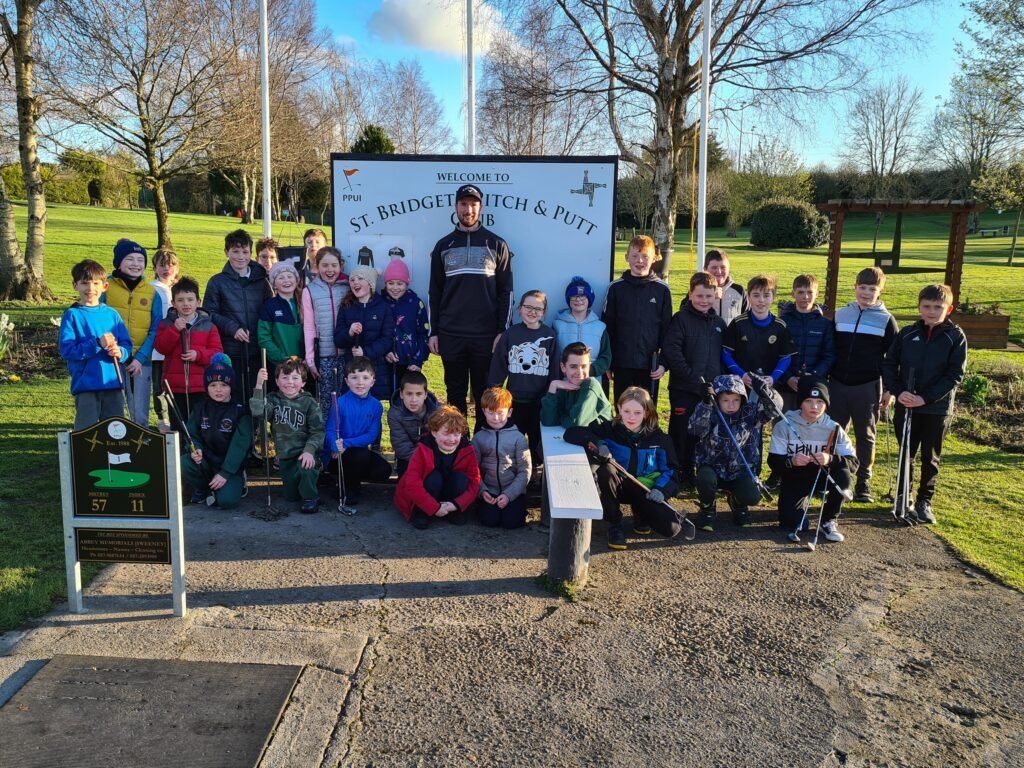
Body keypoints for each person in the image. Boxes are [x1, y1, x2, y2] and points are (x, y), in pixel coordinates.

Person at [428, 183, 514, 427]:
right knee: (454, 394)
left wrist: (502, 332)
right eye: (463, 204)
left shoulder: (496, 244)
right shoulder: (443, 246)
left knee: (484, 394)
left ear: (481, 207)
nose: (468, 210)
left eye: (473, 204)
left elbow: (506, 291)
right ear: (456, 207)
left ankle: (482, 448)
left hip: (485, 335)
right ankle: (459, 445)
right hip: (451, 333)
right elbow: (435, 291)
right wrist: (434, 331)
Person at [881, 284, 967, 524]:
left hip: (936, 409)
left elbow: (954, 375)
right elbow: (889, 365)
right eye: (927, 306)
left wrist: (925, 398)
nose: (932, 311)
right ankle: (903, 497)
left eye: (938, 307)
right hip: (907, 406)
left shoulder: (955, 336)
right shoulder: (907, 334)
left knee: (930, 457)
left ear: (948, 309)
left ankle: (924, 501)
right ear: (919, 307)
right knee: (905, 454)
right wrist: (900, 392)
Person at [565, 386, 686, 550]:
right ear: (619, 409)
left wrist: (662, 490)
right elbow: (572, 433)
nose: (631, 417)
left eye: (637, 412)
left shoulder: (660, 439)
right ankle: (614, 523)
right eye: (626, 411)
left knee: (671, 528)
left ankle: (641, 513)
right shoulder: (609, 430)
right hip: (618, 486)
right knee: (605, 471)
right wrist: (599, 444)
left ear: (647, 413)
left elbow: (671, 470)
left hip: (646, 490)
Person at [830, 266, 899, 503]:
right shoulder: (840, 315)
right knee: (834, 431)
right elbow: (831, 350)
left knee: (865, 434)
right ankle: (833, 474)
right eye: (862, 288)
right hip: (838, 383)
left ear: (880, 291)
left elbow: (893, 359)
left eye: (872, 289)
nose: (866, 293)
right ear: (855, 288)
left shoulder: (886, 320)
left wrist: (890, 389)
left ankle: (863, 481)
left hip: (867, 385)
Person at [767, 378, 858, 543]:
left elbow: (853, 462)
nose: (814, 407)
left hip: (823, 476)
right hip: (795, 477)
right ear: (800, 403)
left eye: (819, 402)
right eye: (808, 401)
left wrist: (830, 458)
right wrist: (791, 461)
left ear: (826, 404)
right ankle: (796, 513)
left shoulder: (835, 428)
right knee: (791, 523)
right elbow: (773, 461)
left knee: (843, 476)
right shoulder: (784, 425)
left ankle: (828, 520)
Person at [688, 374, 781, 531]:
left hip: (740, 471)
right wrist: (705, 403)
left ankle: (737, 503)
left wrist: (767, 392)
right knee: (705, 479)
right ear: (717, 399)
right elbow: (695, 429)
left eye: (736, 400)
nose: (731, 405)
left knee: (753, 497)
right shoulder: (709, 410)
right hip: (712, 468)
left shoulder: (751, 413)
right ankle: (707, 507)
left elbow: (775, 410)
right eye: (725, 400)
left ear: (742, 399)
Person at [662, 270, 727, 488]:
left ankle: (701, 470)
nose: (703, 300)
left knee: (705, 432)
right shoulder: (680, 319)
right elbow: (672, 351)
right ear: (690, 295)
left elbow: (724, 355)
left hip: (710, 390)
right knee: (681, 432)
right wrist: (692, 380)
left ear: (716, 296)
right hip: (684, 388)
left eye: (708, 296)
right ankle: (680, 470)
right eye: (699, 296)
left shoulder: (719, 323)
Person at [488, 289, 558, 470]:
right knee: (513, 441)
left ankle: (536, 472)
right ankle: (513, 472)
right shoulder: (511, 334)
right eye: (528, 306)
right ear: (520, 308)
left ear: (544, 312)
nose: (532, 312)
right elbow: (499, 365)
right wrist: (494, 391)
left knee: (537, 440)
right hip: (514, 400)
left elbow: (554, 370)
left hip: (539, 401)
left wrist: (551, 396)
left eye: (538, 308)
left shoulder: (550, 335)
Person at [59, 259, 133, 430]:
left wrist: (120, 352)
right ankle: (83, 458)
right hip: (86, 386)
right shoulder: (72, 315)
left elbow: (126, 344)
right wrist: (97, 344)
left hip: (113, 383)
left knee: (116, 432)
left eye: (95, 283)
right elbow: (67, 350)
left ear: (104, 286)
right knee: (86, 432)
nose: (90, 288)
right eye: (84, 283)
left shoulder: (111, 314)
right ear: (75, 285)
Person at [602, 234, 672, 406]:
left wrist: (663, 363)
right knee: (623, 407)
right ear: (627, 258)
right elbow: (607, 327)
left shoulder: (662, 290)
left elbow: (668, 331)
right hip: (622, 362)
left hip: (650, 366)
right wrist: (608, 361)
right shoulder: (616, 288)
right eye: (635, 256)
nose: (640, 261)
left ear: (654, 258)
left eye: (645, 256)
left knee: (647, 411)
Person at [203, 229, 272, 401]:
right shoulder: (217, 282)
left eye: (245, 252)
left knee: (257, 395)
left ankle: (256, 428)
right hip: (231, 350)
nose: (240, 257)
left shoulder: (262, 282)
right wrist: (232, 328)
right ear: (227, 252)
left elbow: (269, 312)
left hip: (257, 349)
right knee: (234, 396)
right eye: (235, 251)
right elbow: (209, 313)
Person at [251, 357, 325, 513]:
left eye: (295, 378)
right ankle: (305, 484)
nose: (290, 382)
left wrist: (309, 451)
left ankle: (311, 497)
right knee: (290, 497)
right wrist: (259, 385)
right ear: (277, 381)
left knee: (307, 469)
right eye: (284, 377)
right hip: (285, 457)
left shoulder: (309, 403)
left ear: (303, 382)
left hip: (304, 454)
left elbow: (318, 431)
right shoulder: (272, 399)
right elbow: (258, 411)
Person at [103, 238, 163, 424]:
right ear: (118, 262)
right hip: (111, 359)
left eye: (140, 260)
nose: (136, 264)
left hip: (141, 362)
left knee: (139, 413)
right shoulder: (104, 288)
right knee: (115, 411)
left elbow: (156, 329)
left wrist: (140, 357)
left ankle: (140, 447)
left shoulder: (152, 293)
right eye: (130, 259)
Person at [181, 354, 252, 508]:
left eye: (223, 385)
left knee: (227, 501)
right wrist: (195, 449)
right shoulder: (200, 408)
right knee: (185, 461)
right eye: (213, 385)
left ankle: (232, 483)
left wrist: (226, 473)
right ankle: (203, 488)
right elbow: (191, 434)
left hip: (229, 466)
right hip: (206, 461)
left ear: (231, 386)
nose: (218, 390)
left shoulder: (240, 411)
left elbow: (239, 447)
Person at [394, 405, 482, 530]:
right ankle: (422, 512)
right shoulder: (423, 449)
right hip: (428, 493)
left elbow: (475, 482)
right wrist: (433, 507)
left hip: (451, 495)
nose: (452, 439)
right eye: (446, 433)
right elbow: (412, 483)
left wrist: (456, 504)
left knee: (461, 478)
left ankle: (452, 511)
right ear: (434, 432)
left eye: (457, 434)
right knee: (433, 477)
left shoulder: (467, 449)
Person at [324, 356, 393, 506]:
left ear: (373, 381)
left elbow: (371, 435)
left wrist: (345, 443)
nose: (360, 382)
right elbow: (330, 429)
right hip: (338, 455)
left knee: (384, 471)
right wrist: (335, 444)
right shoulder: (340, 403)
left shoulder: (376, 406)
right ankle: (347, 487)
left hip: (353, 449)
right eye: (354, 377)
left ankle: (350, 479)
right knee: (358, 456)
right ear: (347, 381)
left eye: (365, 377)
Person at [154, 276, 223, 425]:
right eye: (180, 300)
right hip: (175, 386)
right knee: (178, 424)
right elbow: (161, 348)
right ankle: (181, 448)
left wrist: (198, 355)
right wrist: (174, 330)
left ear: (198, 302)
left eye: (190, 300)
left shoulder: (209, 326)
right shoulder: (166, 324)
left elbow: (217, 353)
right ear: (173, 303)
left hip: (201, 385)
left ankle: (198, 448)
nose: (186, 304)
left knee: (200, 424)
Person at [722, 274, 795, 393]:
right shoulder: (738, 323)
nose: (761, 300)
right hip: (741, 386)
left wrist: (773, 377)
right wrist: (742, 375)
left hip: (769, 386)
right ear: (749, 297)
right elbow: (726, 354)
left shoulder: (780, 326)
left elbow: (786, 357)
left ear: (773, 298)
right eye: (756, 295)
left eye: (766, 295)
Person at [472, 386, 531, 529]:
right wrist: (483, 491)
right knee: (489, 521)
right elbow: (473, 469)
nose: (496, 418)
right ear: (483, 412)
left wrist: (509, 494)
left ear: (509, 412)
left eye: (500, 413)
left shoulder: (518, 438)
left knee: (511, 522)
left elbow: (525, 471)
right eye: (491, 413)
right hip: (489, 489)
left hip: (512, 489)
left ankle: (518, 507)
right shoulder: (479, 438)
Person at [302, 245, 349, 419]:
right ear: (317, 266)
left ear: (340, 266)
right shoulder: (310, 291)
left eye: (334, 265)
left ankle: (345, 441)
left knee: (345, 401)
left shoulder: (348, 287)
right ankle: (326, 442)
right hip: (324, 357)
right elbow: (309, 326)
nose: (330, 270)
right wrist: (310, 359)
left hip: (346, 355)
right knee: (327, 402)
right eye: (325, 265)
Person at [334, 264, 395, 400]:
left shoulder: (384, 307)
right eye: (352, 280)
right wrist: (349, 332)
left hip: (377, 368)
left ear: (371, 284)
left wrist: (365, 352)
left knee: (373, 409)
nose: (355, 282)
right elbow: (338, 340)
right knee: (352, 407)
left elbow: (387, 338)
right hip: (352, 368)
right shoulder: (346, 306)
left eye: (360, 279)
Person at [778, 274, 836, 411]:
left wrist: (815, 374)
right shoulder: (783, 322)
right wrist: (788, 377)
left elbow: (830, 355)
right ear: (793, 294)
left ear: (817, 294)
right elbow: (775, 354)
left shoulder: (825, 324)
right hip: (786, 386)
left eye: (810, 292)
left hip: (814, 386)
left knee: (810, 426)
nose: (805, 297)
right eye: (801, 292)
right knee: (784, 426)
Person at [380, 258, 430, 392]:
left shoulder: (415, 303)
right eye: (390, 283)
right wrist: (385, 352)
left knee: (411, 395)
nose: (395, 288)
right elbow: (377, 331)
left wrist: (418, 360)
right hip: (389, 361)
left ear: (407, 284)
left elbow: (423, 333)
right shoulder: (380, 303)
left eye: (400, 283)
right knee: (393, 395)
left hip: (411, 362)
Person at [539, 342, 613, 429]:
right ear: (563, 367)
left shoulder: (591, 385)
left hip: (600, 440)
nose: (579, 372)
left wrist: (561, 417)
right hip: (575, 438)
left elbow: (575, 424)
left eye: (584, 366)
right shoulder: (565, 387)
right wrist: (553, 386)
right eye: (573, 367)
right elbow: (548, 421)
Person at [552, 276, 612, 383]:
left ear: (589, 299)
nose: (578, 300)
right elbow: (552, 355)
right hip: (565, 382)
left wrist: (590, 370)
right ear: (568, 299)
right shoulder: (557, 325)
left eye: (583, 296)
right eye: (574, 296)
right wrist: (565, 371)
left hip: (591, 381)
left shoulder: (600, 327)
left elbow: (605, 356)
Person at [258, 261, 304, 385]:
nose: (286, 280)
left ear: (296, 280)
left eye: (289, 276)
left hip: (303, 366)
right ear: (274, 283)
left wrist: (306, 358)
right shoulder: (269, 306)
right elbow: (264, 338)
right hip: (280, 366)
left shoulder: (305, 302)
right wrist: (281, 358)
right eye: (281, 277)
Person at [387, 370, 440, 478]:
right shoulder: (395, 413)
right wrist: (424, 460)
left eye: (419, 394)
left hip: (435, 457)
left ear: (425, 394)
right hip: (409, 458)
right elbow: (402, 446)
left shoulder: (439, 413)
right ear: (401, 394)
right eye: (409, 394)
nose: (414, 400)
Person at [150, 248, 179, 432]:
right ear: (155, 267)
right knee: (159, 382)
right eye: (162, 265)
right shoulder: (152, 289)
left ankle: (178, 416)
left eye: (171, 265)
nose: (166, 268)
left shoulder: (178, 289)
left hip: (178, 345)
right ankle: (163, 418)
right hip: (158, 346)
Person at [704, 249, 747, 326]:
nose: (719, 271)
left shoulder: (739, 291)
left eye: (723, 267)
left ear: (729, 269)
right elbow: (686, 314)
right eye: (714, 267)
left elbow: (748, 319)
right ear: (705, 269)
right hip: (705, 337)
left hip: (731, 338)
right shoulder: (698, 290)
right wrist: (708, 297)